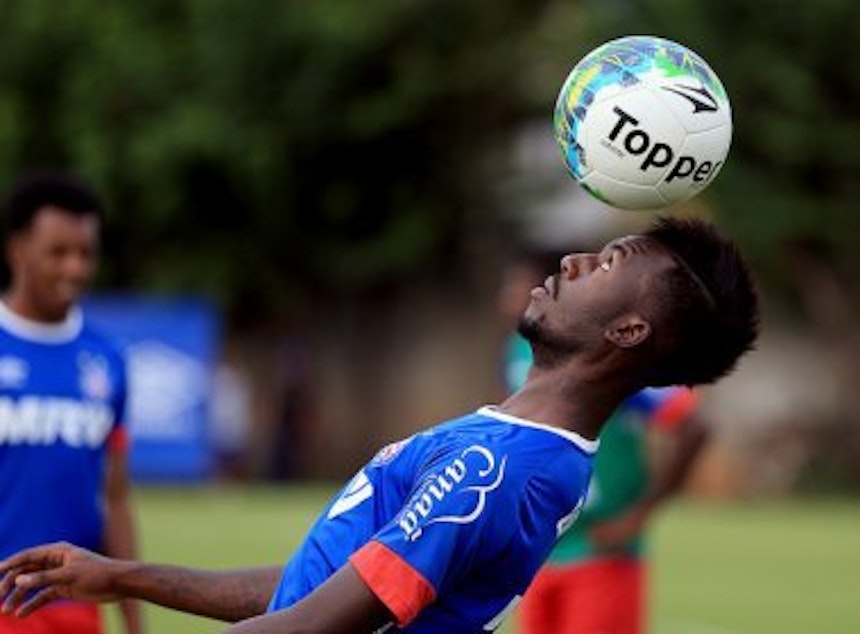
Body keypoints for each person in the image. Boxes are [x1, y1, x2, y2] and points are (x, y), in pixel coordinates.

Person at [0, 217, 759, 634]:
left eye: (607, 262)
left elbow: (312, 630)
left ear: (628, 332)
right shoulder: (518, 450)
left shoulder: (496, 469)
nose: (572, 258)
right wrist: (120, 576)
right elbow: (318, 593)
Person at [498, 248, 710, 634]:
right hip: (541, 550)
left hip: (602, 552)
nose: (508, 298)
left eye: (516, 286)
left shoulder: (611, 352)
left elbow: (693, 427)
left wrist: (638, 515)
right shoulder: (517, 351)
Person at [0, 173, 143, 634]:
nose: (75, 268)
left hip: (77, 607)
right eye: (58, 252)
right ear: (17, 250)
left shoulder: (107, 358)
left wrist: (134, 619)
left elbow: (115, 496)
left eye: (85, 253)